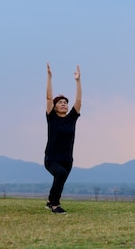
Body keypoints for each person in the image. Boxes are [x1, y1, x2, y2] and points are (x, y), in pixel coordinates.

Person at [44, 63, 82, 214]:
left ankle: (49, 201)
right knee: (60, 174)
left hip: (67, 159)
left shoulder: (71, 118)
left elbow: (78, 101)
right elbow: (48, 98)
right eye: (60, 102)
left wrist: (78, 81)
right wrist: (49, 77)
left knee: (60, 179)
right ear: (54, 107)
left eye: (65, 102)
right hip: (52, 159)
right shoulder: (52, 118)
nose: (64, 104)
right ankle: (55, 205)